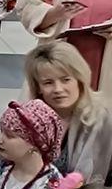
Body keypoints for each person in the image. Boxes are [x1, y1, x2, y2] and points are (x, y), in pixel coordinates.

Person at [28, 41, 112, 181]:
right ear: (38, 88)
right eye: (48, 83)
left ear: (79, 80)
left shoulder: (104, 119)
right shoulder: (27, 118)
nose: (58, 89)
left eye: (66, 80)